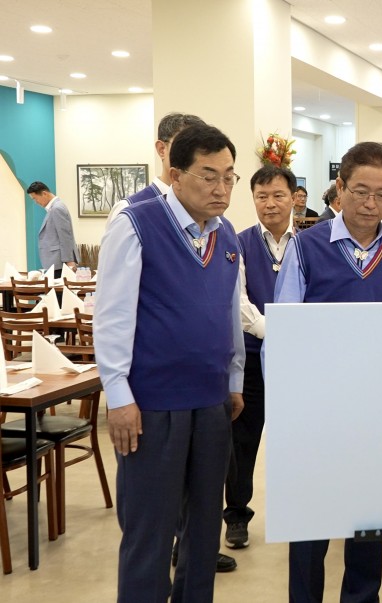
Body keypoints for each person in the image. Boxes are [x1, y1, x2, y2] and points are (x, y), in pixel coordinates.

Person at [94, 123, 245, 603]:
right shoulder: (136, 223)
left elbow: (229, 315)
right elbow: (112, 317)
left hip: (212, 401)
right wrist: (118, 396)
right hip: (152, 407)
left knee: (203, 530)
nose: (221, 188)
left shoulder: (227, 238)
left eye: (229, 177)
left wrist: (235, 381)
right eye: (208, 176)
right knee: (150, 532)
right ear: (175, 175)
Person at [275, 141, 382, 603]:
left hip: (376, 412)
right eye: (360, 191)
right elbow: (284, 331)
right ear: (340, 188)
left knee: (368, 521)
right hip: (316, 412)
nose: (371, 203)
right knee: (311, 523)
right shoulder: (305, 246)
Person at [224, 165, 296, 551]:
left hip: (299, 362)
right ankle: (236, 516)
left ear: (293, 198)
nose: (270, 204)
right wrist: (273, 330)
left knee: (302, 438)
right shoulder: (238, 242)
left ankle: (307, 510)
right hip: (253, 357)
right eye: (261, 196)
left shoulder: (310, 242)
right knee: (242, 442)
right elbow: (238, 301)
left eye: (278, 195)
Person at [107, 112, 206, 225]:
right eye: (187, 147)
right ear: (162, 149)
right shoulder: (129, 211)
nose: (195, 157)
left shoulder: (208, 211)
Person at [27, 181, 78, 273]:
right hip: (55, 262)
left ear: (44, 194)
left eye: (35, 198)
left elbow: (65, 236)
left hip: (60, 263)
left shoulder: (57, 208)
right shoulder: (54, 208)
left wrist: (69, 261)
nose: (36, 202)